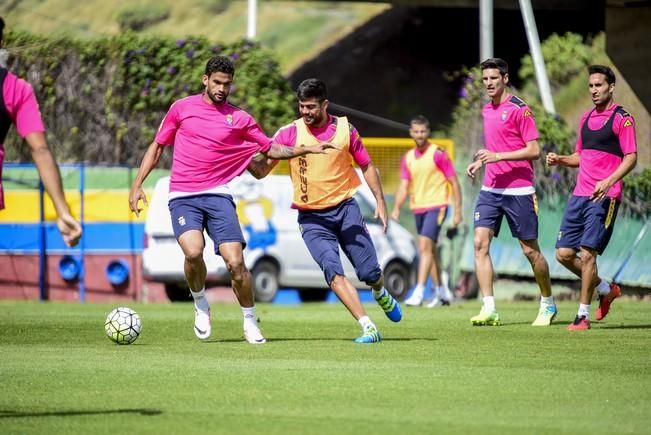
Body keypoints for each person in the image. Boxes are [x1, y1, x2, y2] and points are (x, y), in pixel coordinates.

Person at [128, 56, 332, 344]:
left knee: (236, 262)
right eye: (218, 82)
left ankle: (250, 321)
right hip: (184, 195)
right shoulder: (181, 108)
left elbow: (271, 149)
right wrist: (137, 185)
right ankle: (200, 304)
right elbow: (158, 146)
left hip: (218, 195)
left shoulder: (240, 119)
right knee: (193, 252)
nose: (223, 88)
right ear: (206, 80)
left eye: (227, 84)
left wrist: (303, 149)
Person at [248, 78, 402, 343]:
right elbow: (262, 171)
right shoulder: (289, 133)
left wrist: (379, 200)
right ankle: (368, 326)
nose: (305, 112)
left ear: (325, 104)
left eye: (310, 107)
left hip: (346, 210)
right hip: (311, 219)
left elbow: (366, 165)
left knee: (370, 273)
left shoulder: (347, 130)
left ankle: (379, 291)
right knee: (332, 271)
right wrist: (243, 156)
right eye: (301, 106)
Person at [466, 58, 555, 326]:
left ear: (505, 78)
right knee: (480, 243)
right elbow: (493, 146)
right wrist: (480, 161)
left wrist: (498, 156)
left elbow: (534, 150)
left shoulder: (520, 109)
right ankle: (489, 307)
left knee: (530, 251)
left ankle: (548, 303)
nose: (489, 83)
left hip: (519, 190)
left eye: (494, 78)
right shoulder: (486, 110)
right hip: (491, 188)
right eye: (485, 79)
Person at [547, 65, 637, 331]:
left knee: (587, 255)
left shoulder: (623, 119)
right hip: (579, 196)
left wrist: (609, 181)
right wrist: (561, 159)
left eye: (599, 85)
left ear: (611, 87)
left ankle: (582, 316)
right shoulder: (585, 118)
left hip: (605, 197)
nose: (594, 90)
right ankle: (607, 289)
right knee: (563, 254)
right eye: (590, 86)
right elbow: (581, 156)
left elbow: (631, 157)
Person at [0, 17, 81, 248]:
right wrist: (62, 210)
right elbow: (40, 149)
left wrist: (62, 210)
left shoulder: (15, 89)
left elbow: (41, 149)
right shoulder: (14, 88)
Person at [392, 115, 462, 308]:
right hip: (418, 207)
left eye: (423, 131)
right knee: (429, 251)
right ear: (411, 133)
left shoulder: (438, 153)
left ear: (428, 132)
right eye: (416, 131)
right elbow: (404, 186)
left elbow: (454, 182)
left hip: (437, 205)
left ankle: (420, 291)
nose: (420, 135)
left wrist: (457, 211)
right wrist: (397, 207)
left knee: (424, 247)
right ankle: (442, 292)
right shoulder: (408, 158)